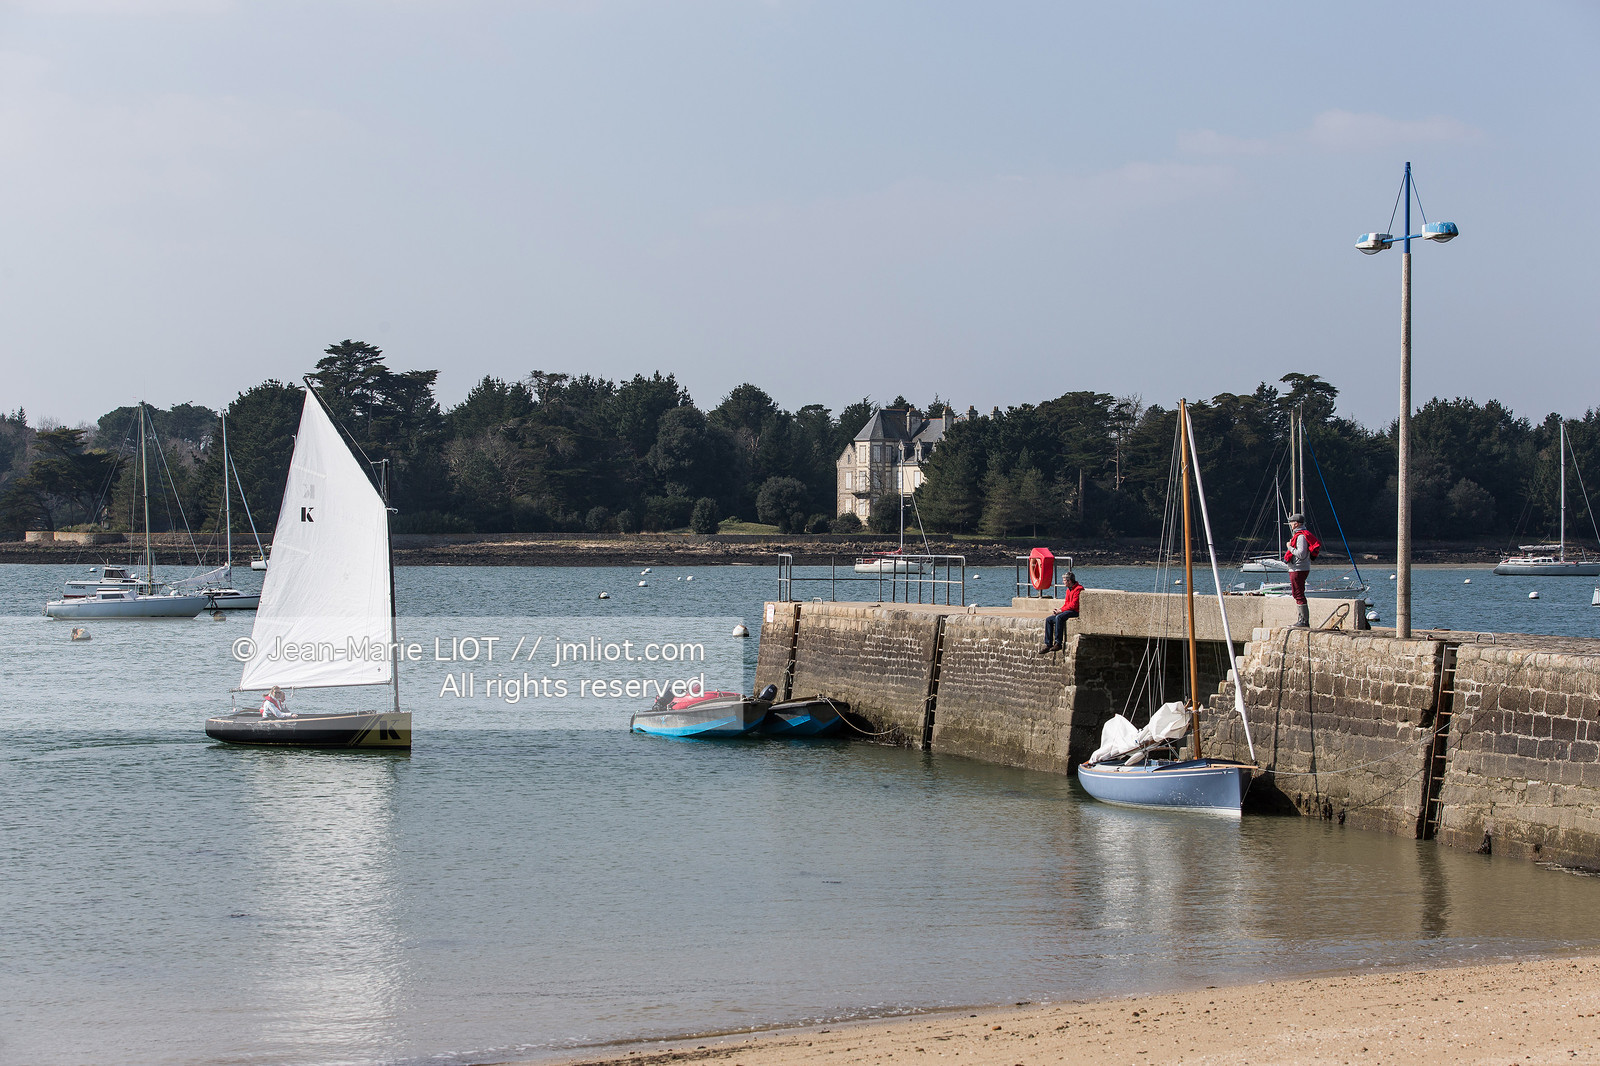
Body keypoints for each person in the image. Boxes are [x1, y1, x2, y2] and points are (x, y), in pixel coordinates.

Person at [1038, 572, 1083, 654]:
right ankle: (1048, 644)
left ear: (1069, 581)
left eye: (1064, 580)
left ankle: (1058, 643)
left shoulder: (1078, 589)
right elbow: (1067, 604)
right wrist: (1059, 610)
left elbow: (1074, 605)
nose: (1063, 582)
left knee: (1059, 617)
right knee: (1049, 619)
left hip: (1075, 611)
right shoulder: (1068, 590)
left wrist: (1061, 611)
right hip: (1069, 610)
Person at [1285, 513, 1312, 627]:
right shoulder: (1300, 535)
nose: (1290, 525)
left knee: (1298, 594)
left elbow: (1301, 554)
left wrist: (1289, 547)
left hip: (1298, 568)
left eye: (1291, 523)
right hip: (1298, 568)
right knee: (1297, 593)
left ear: (1296, 524)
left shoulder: (1301, 537)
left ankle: (1303, 621)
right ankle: (1302, 619)